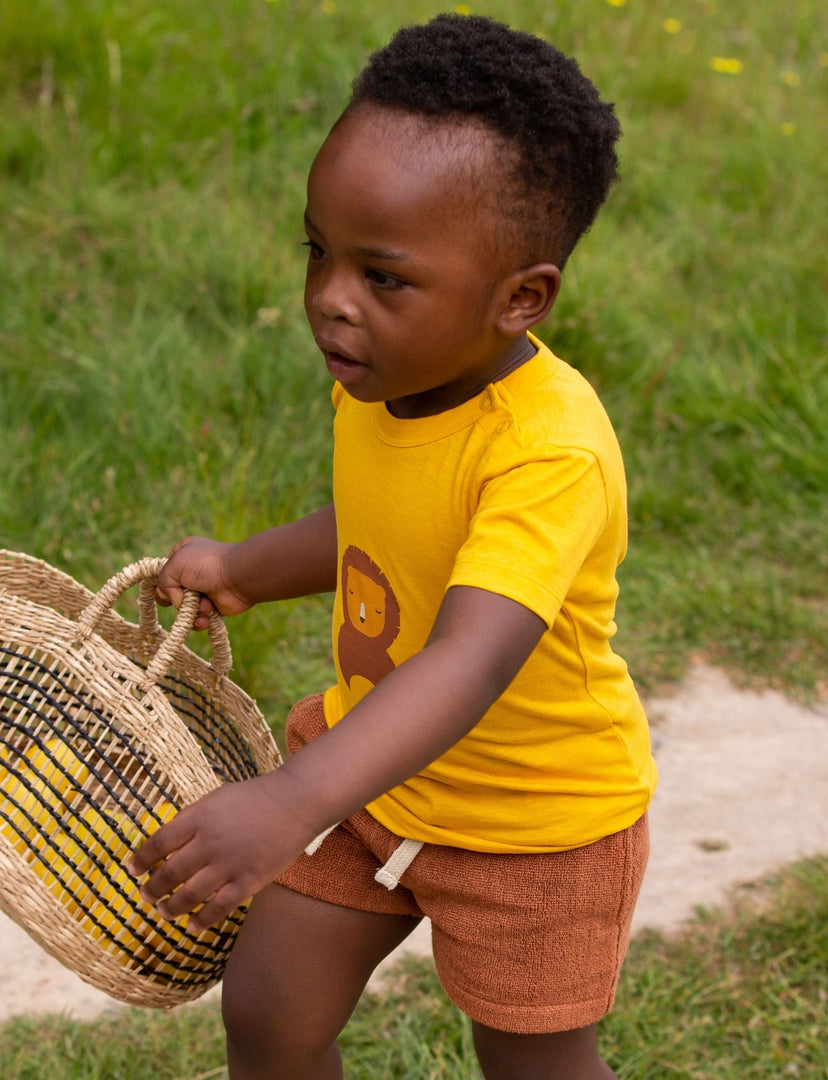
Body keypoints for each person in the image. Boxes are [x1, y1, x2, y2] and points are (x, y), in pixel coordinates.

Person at [129, 14, 656, 1079]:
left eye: (385, 277)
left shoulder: (548, 454)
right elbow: (379, 527)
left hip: (533, 827)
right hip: (372, 786)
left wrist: (289, 801)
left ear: (521, 298)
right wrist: (243, 567)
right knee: (272, 1017)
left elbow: (468, 660)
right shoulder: (387, 383)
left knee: (533, 1067)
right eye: (319, 251)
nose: (331, 298)